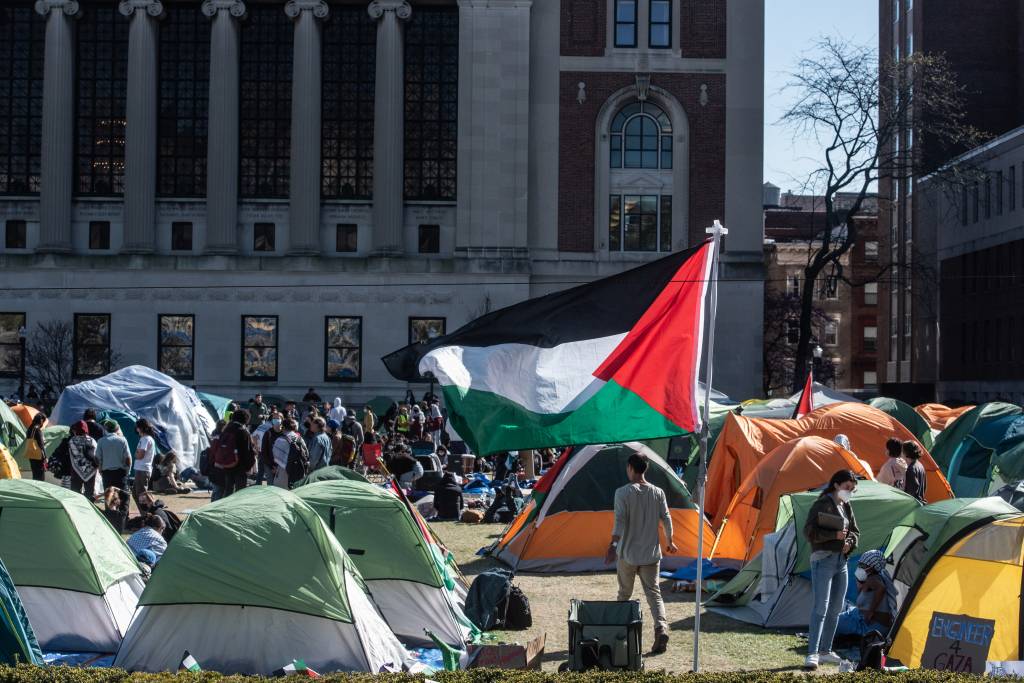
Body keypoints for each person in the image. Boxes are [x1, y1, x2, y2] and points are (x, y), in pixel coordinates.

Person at [605, 453, 676, 655]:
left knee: (624, 594)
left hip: (628, 554)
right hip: (651, 554)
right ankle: (661, 628)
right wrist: (670, 541)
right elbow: (667, 519)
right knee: (654, 594)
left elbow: (620, 521)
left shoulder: (622, 493)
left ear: (630, 468)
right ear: (645, 469)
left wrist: (613, 544)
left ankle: (619, 635)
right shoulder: (658, 492)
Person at [803, 469, 860, 671]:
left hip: (841, 562)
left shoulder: (846, 505)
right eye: (847, 488)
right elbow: (809, 532)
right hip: (823, 560)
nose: (850, 492)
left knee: (835, 609)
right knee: (821, 608)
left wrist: (849, 542)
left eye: (852, 489)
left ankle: (826, 651)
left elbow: (854, 531)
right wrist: (834, 536)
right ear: (836, 485)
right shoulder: (822, 504)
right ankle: (812, 653)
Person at [836, 550, 897, 637]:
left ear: (872, 567)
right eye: (860, 564)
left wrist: (870, 612)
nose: (859, 567)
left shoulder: (873, 579)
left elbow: (881, 589)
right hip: (864, 618)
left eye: (862, 565)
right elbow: (861, 594)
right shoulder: (875, 578)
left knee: (833, 622)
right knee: (844, 608)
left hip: (871, 627)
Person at [218, 409, 254, 498]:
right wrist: (249, 466)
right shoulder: (243, 431)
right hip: (240, 466)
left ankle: (226, 508)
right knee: (240, 492)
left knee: (228, 490)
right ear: (246, 419)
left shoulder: (225, 430)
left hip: (227, 464)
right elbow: (247, 451)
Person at [271, 418, 307, 488]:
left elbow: (275, 455)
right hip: (298, 469)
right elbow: (306, 453)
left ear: (283, 427)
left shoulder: (280, 439)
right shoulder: (299, 438)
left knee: (282, 491)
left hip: (283, 471)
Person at [97, 419, 132, 490]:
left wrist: (100, 470)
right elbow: (128, 458)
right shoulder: (123, 440)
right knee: (122, 497)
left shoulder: (100, 441)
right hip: (121, 473)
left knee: (109, 496)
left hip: (107, 473)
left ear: (106, 429)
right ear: (117, 429)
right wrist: (128, 471)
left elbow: (98, 458)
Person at [68, 420, 99, 497]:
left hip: (76, 470)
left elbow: (72, 455)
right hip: (91, 471)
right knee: (89, 493)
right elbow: (96, 455)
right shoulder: (92, 440)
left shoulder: (72, 441)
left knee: (75, 492)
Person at [132, 418, 158, 505]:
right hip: (141, 469)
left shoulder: (145, 439)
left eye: (137, 427)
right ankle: (145, 513)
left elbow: (140, 455)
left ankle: (147, 513)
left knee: (141, 495)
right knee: (136, 493)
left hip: (142, 469)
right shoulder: (146, 439)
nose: (136, 429)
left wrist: (136, 454)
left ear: (141, 428)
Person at [259, 412, 284, 484]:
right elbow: (264, 451)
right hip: (269, 464)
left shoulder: (284, 433)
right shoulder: (268, 433)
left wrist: (279, 467)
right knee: (271, 484)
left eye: (278, 418)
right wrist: (271, 466)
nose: (276, 420)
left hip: (282, 466)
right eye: (274, 418)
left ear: (282, 420)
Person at [24, 412, 47, 481]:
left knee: (35, 474)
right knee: (40, 475)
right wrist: (45, 457)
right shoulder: (37, 429)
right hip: (38, 456)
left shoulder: (30, 428)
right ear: (41, 420)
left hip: (31, 454)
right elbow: (41, 444)